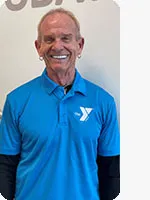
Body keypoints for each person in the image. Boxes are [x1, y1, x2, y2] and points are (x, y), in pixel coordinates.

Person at [0, 8, 120, 200]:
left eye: (66, 38)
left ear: (79, 45)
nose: (57, 46)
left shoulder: (103, 102)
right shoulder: (16, 100)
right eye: (49, 39)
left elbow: (111, 170)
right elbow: (5, 165)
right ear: (38, 47)